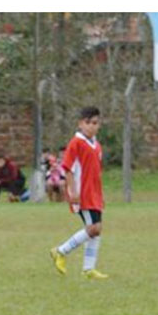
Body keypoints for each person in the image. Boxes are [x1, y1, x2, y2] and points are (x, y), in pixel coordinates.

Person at [49, 106, 109, 280]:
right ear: (81, 124)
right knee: (94, 228)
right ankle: (60, 251)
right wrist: (72, 190)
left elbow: (96, 171)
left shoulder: (96, 145)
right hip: (82, 193)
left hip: (94, 193)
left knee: (95, 229)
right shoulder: (76, 143)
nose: (92, 126)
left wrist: (100, 193)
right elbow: (67, 168)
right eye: (88, 123)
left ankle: (88, 269)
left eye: (96, 123)